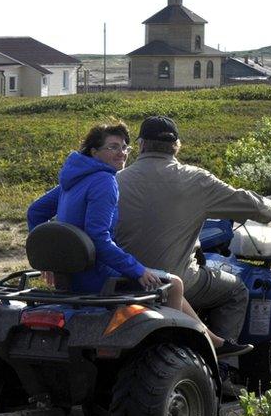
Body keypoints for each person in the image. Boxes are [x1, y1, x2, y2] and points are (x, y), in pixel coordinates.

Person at [28, 121, 251, 358]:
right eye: (113, 147)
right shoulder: (104, 181)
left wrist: (49, 261)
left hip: (70, 277)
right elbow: (98, 239)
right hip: (96, 277)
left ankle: (212, 340)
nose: (121, 153)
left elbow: (35, 212)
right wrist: (137, 270)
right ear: (94, 151)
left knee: (167, 281)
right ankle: (172, 356)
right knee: (173, 284)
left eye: (125, 147)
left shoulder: (73, 179)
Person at [115, 116, 271, 382]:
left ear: (142, 145)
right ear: (176, 147)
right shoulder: (195, 180)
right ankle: (223, 369)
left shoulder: (117, 180)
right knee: (235, 290)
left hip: (121, 281)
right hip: (175, 280)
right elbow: (250, 205)